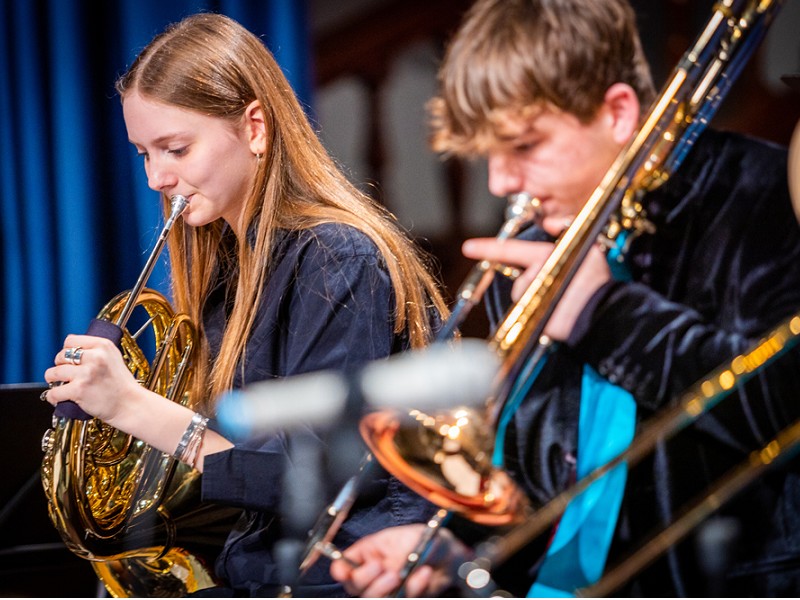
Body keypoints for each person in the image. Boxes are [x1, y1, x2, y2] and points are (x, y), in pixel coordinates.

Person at [330, 0, 800, 596]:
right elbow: (542, 481)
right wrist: (454, 551)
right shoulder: (531, 248)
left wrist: (606, 314)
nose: (500, 184)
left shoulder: (759, 194)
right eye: (488, 155)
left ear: (617, 113)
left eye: (523, 147)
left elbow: (783, 405)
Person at [41, 12, 451, 597]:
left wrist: (132, 407)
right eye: (143, 154)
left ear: (255, 127)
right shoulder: (231, 266)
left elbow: (317, 478)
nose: (157, 176)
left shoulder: (336, 257)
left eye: (176, 148)